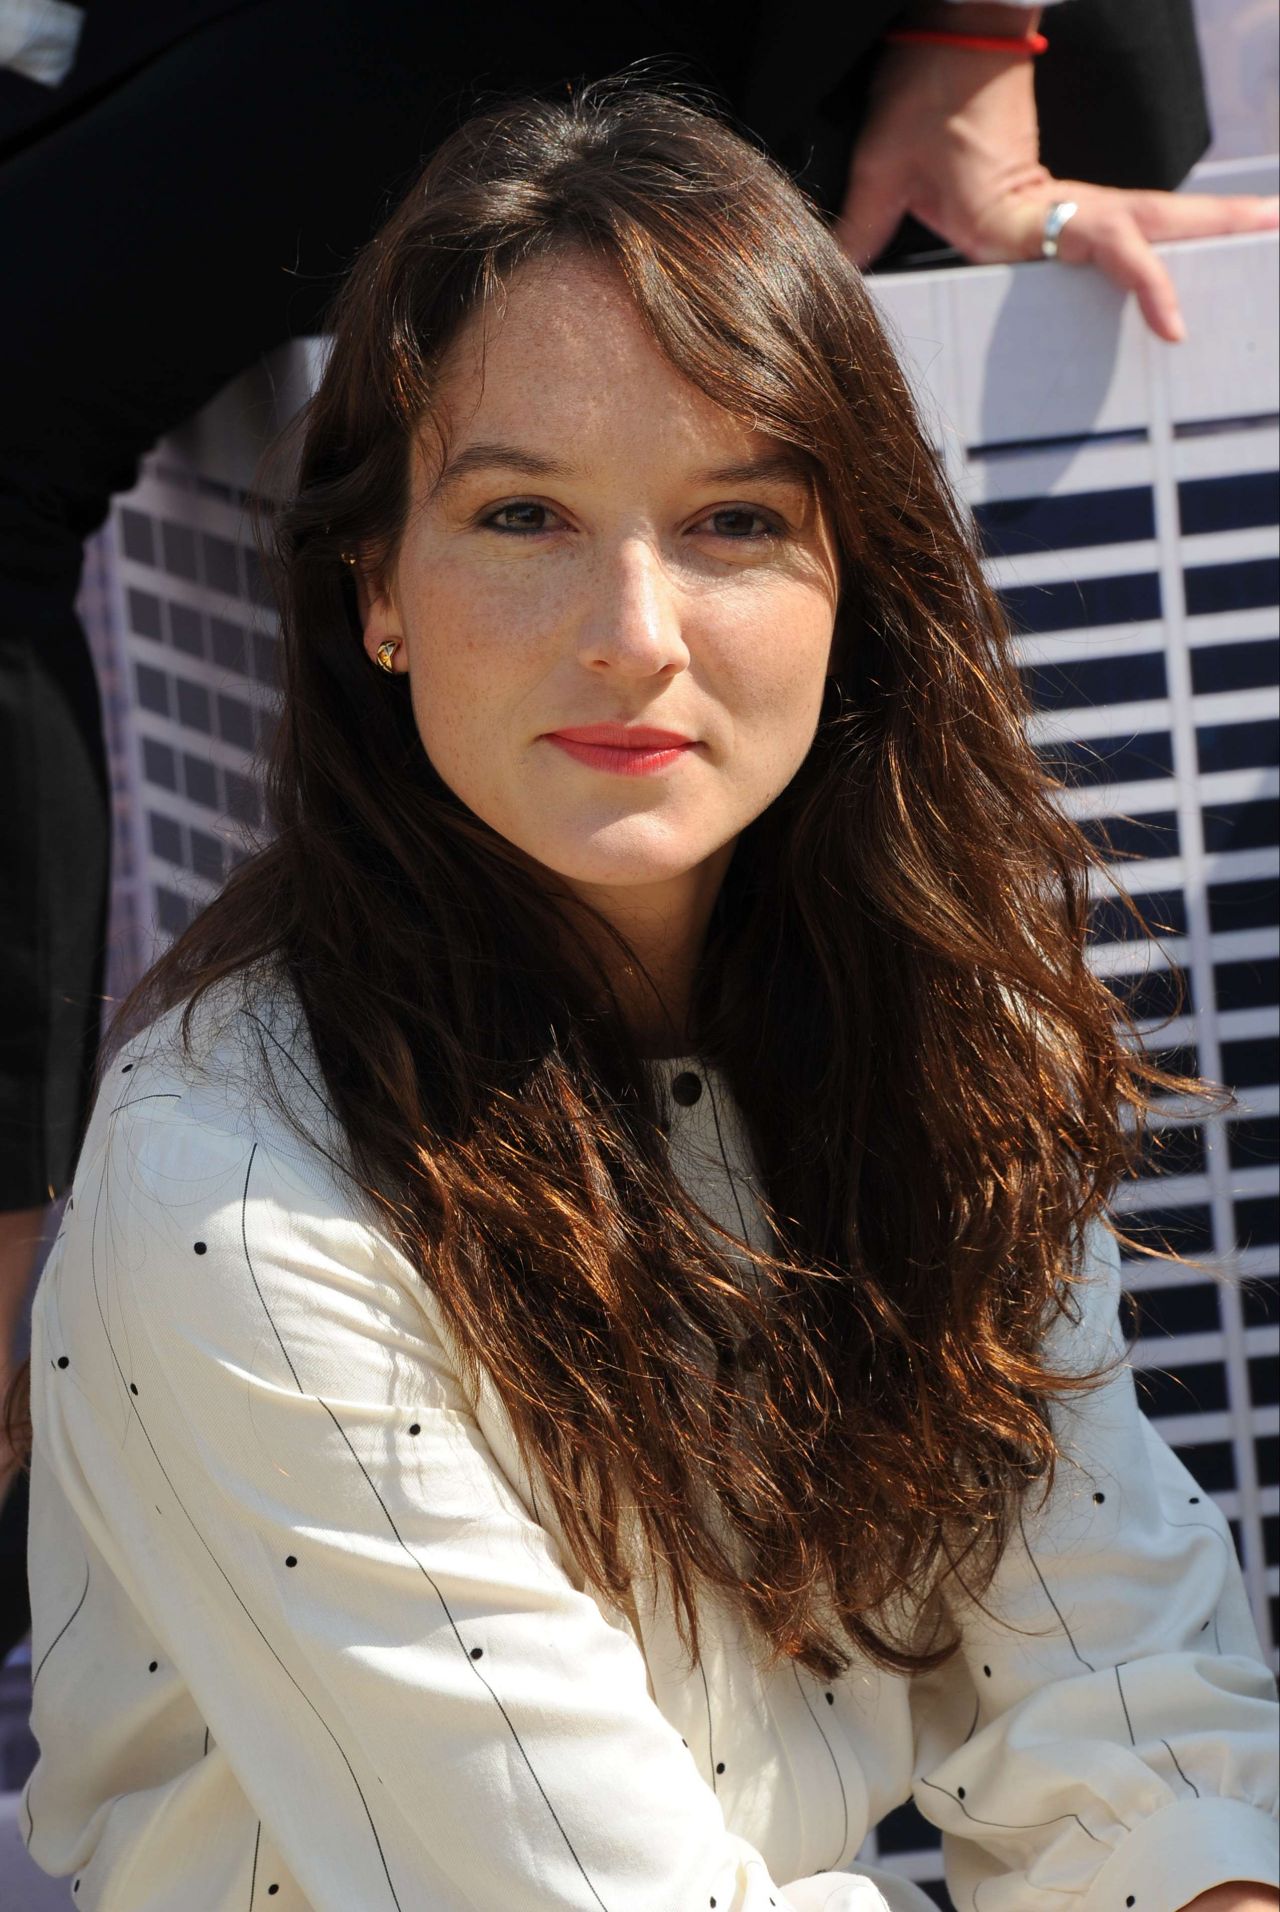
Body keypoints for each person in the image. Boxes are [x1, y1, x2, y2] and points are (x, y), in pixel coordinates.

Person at [10, 82, 1278, 1912]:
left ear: (859, 576)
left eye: (733, 521)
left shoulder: (944, 1036)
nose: (633, 632)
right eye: (523, 513)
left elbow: (1121, 1698)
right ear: (377, 582)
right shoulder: (229, 1196)